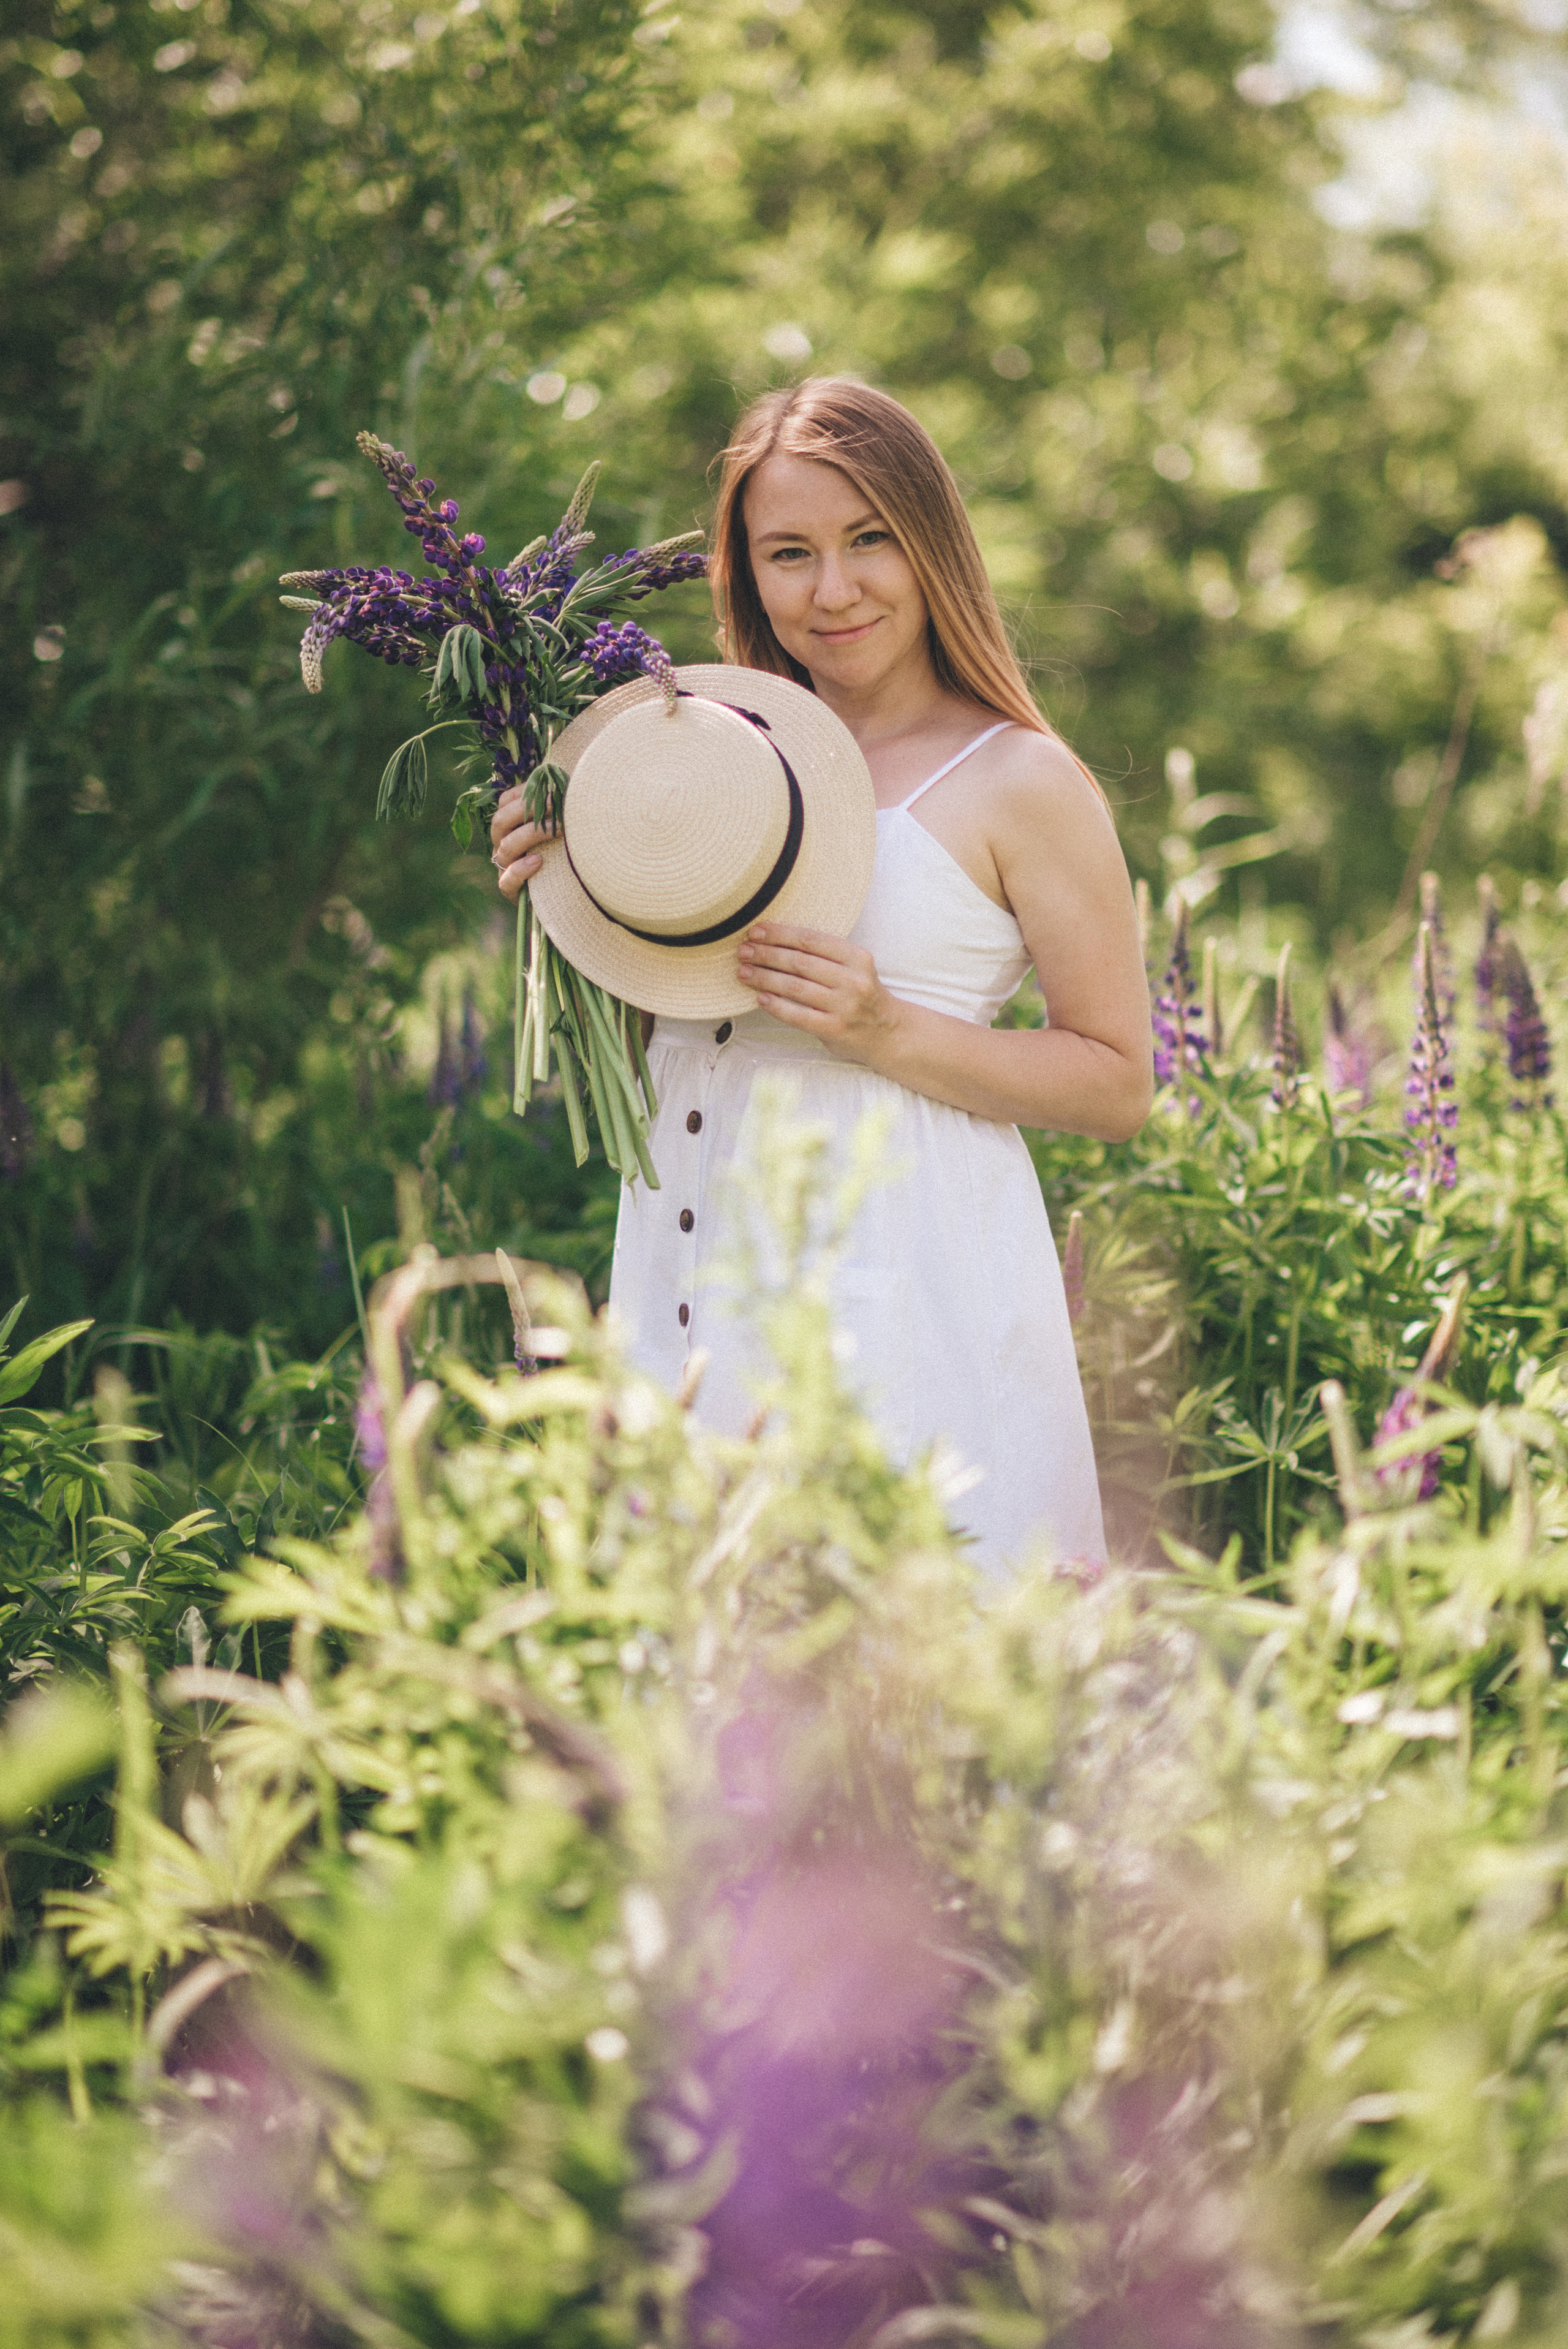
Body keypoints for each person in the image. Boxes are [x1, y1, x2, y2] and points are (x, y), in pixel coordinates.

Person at [491, 378, 1152, 1573]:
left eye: (867, 542)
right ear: (742, 572)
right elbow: (676, 1032)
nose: (831, 590)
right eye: (787, 553)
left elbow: (1113, 1083)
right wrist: (564, 880)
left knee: (908, 1691)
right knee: (701, 1715)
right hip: (685, 1280)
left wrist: (884, 1028)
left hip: (902, 1294)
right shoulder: (700, 756)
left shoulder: (1018, 780)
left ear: (930, 545)